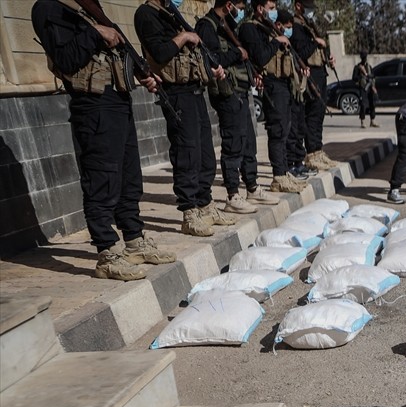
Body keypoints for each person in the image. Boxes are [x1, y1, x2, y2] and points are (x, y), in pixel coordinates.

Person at [31, 0, 176, 280]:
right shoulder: (49, 8)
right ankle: (107, 253)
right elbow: (67, 60)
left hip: (118, 98)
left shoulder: (89, 9)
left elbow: (115, 53)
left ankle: (134, 240)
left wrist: (139, 73)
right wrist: (95, 33)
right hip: (93, 104)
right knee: (102, 179)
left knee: (129, 177)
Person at [135, 0, 232, 237]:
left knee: (205, 154)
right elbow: (159, 53)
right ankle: (189, 212)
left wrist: (213, 69)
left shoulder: (171, 12)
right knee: (186, 152)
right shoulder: (146, 14)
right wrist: (183, 37)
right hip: (176, 92)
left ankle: (205, 204)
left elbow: (194, 54)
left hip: (194, 89)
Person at [197, 0, 274, 215]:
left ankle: (252, 187)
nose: (240, 12)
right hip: (225, 91)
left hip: (240, 88)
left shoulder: (226, 24)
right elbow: (212, 59)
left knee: (248, 141)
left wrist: (253, 73)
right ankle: (232, 194)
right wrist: (238, 54)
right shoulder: (207, 25)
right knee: (233, 143)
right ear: (229, 4)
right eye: (239, 6)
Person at [239, 0, 305, 193]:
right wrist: (277, 41)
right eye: (271, 8)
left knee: (285, 129)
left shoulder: (269, 29)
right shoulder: (250, 29)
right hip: (271, 84)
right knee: (277, 130)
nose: (274, 12)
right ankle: (278, 176)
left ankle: (283, 172)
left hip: (283, 84)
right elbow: (260, 57)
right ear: (260, 9)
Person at [291, 0, 338, 171]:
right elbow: (300, 52)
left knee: (318, 115)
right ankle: (311, 153)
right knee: (311, 116)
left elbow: (317, 50)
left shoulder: (308, 24)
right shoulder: (296, 26)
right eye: (307, 6)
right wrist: (315, 43)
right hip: (309, 74)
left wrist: (328, 58)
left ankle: (317, 150)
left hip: (319, 72)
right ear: (298, 5)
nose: (311, 11)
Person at [277, 9, 313, 182]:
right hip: (284, 91)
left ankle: (298, 161)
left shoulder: (288, 44)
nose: (289, 30)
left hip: (294, 90)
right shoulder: (277, 41)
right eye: (288, 27)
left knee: (299, 127)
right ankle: (291, 164)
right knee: (288, 131)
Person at [355, 51, 380, 129]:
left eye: (365, 57)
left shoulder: (369, 66)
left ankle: (372, 121)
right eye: (363, 57)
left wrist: (372, 85)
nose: (364, 59)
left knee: (372, 104)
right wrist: (361, 78)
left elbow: (373, 76)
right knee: (363, 105)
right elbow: (354, 78)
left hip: (370, 88)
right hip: (363, 88)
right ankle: (362, 121)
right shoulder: (357, 67)